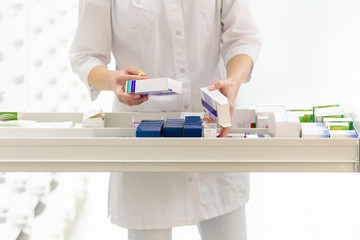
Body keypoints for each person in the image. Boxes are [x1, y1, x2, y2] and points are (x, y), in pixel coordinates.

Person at [70, 0, 261, 239]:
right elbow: (85, 56)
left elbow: (243, 37)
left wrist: (233, 81)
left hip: (213, 135)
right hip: (147, 147)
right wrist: (111, 79)